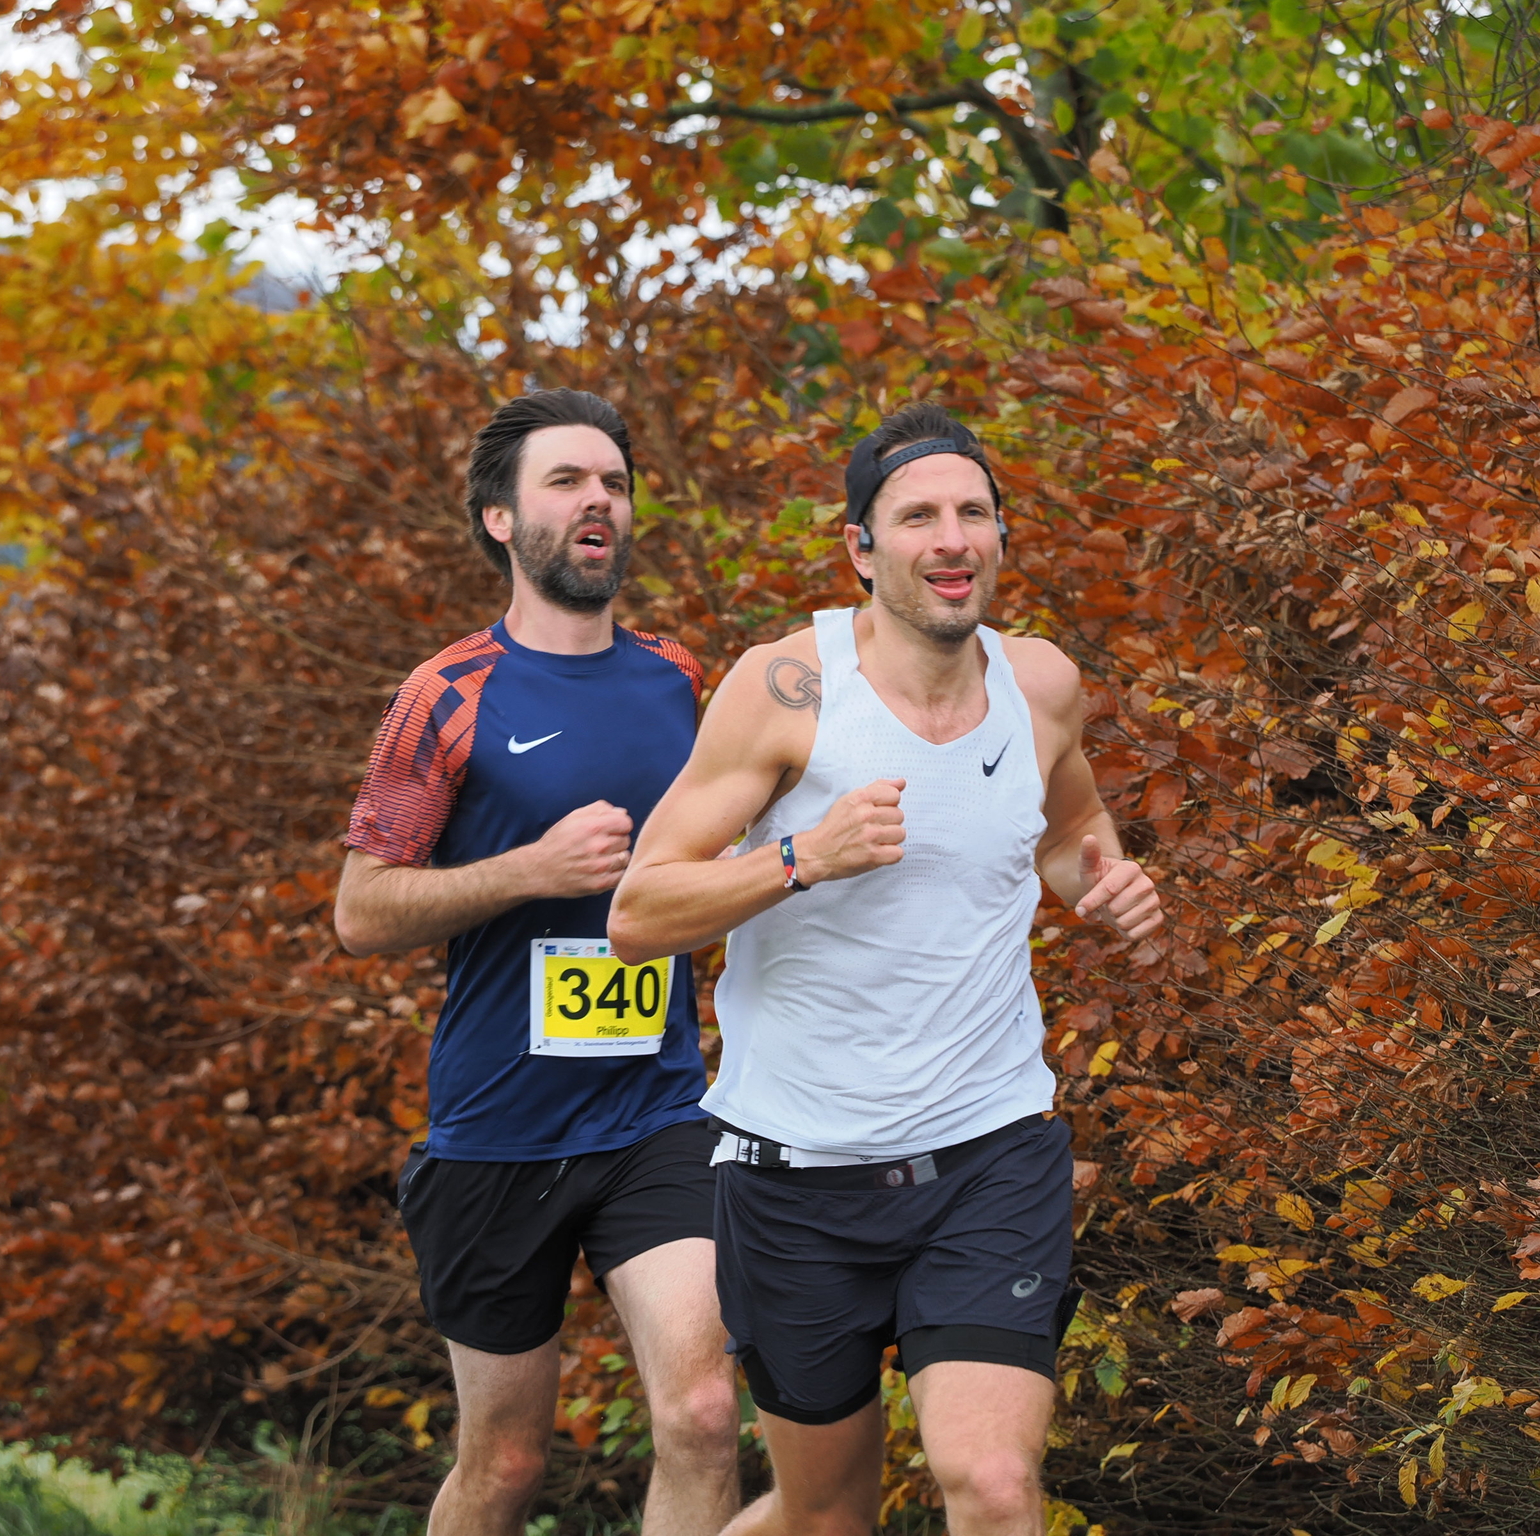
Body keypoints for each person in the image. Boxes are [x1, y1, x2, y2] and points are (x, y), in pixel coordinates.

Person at [607, 401, 1162, 1536]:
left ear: (1000, 536)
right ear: (860, 548)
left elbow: (1068, 829)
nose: (951, 539)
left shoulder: (1041, 683)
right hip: (795, 1176)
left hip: (989, 1152)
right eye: (917, 517)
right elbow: (638, 912)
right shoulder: (785, 689)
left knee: (993, 1484)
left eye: (973, 513)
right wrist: (801, 858)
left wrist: (1103, 884)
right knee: (825, 1517)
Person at [334, 389, 739, 1536]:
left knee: (705, 1413)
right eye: (565, 482)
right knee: (505, 1467)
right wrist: (529, 869)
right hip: (497, 1129)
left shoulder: (676, 677)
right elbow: (361, 912)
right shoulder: (445, 696)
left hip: (655, 1110)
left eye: (613, 482)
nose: (597, 500)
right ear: (501, 519)